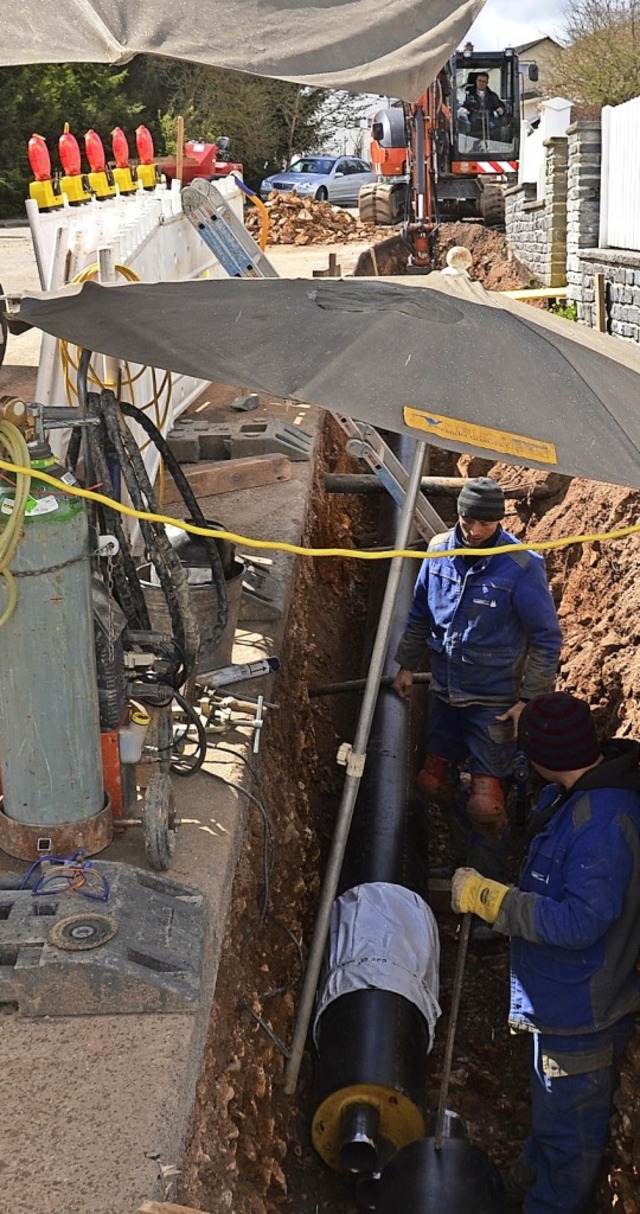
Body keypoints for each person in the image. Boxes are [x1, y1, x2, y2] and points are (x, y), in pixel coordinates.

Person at [451, 691, 640, 1213]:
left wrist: (493, 900)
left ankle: (546, 1202)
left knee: (569, 1144)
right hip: (558, 1001)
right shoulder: (573, 794)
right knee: (553, 1120)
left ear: (545, 756)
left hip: (581, 1019)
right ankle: (523, 1180)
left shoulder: (600, 827)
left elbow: (581, 921)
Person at [392, 476, 562, 884]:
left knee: (486, 804)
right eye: (468, 520)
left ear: (498, 522)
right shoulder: (437, 551)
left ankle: (487, 883)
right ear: (459, 514)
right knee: (432, 782)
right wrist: (406, 665)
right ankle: (463, 854)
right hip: (445, 691)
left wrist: (528, 700)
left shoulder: (521, 565)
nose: (474, 531)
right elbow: (418, 614)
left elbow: (546, 638)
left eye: (484, 524)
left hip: (495, 702)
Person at [458, 71, 506, 138]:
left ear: (487, 83)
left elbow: (499, 106)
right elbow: (462, 105)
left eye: (484, 81)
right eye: (479, 80)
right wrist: (464, 110)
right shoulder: (468, 94)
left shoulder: (492, 96)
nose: (481, 83)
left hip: (489, 121)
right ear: (476, 81)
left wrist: (501, 109)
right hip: (473, 121)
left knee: (497, 126)